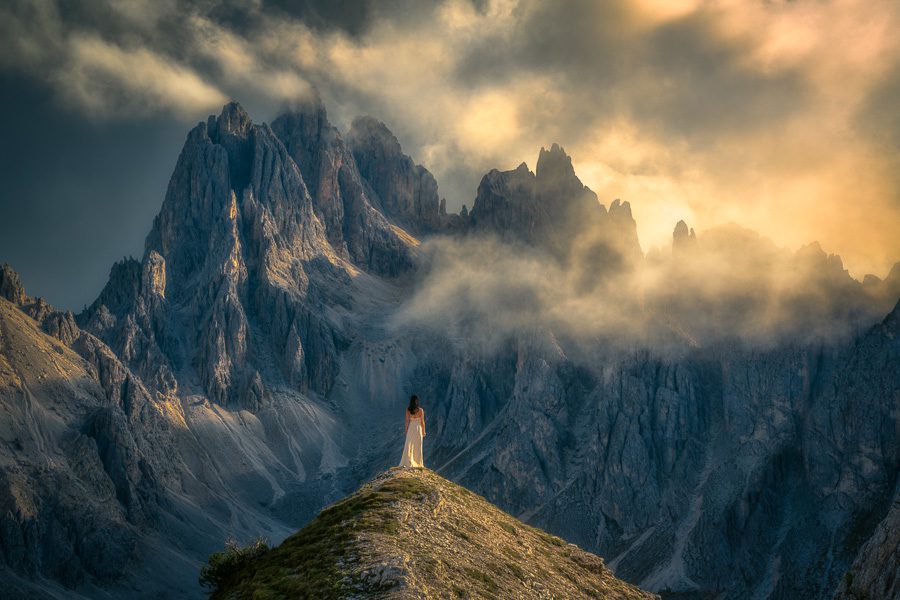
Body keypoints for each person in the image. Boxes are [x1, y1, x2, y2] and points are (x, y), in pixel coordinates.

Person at [399, 394, 425, 468]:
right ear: (417, 401)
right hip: (418, 428)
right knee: (418, 445)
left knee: (409, 444)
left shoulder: (408, 410)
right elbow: (422, 422)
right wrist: (424, 431)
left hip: (411, 428)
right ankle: (418, 462)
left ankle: (408, 461)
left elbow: (407, 421)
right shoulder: (421, 410)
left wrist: (406, 430)